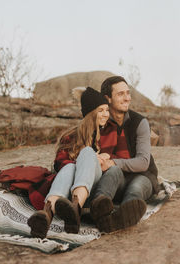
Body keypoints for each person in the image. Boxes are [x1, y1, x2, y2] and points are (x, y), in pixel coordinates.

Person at [27, 87, 110, 238]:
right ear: (91, 113)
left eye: (107, 110)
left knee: (87, 152)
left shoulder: (106, 134)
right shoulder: (72, 135)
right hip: (68, 189)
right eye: (101, 110)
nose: (106, 114)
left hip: (95, 187)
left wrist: (100, 159)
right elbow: (59, 163)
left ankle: (75, 207)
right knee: (71, 166)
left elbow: (117, 161)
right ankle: (47, 215)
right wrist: (80, 163)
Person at [90, 76, 159, 233]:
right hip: (115, 178)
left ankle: (124, 216)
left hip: (143, 175)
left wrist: (113, 162)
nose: (127, 98)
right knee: (113, 172)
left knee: (135, 188)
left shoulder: (140, 122)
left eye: (128, 93)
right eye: (120, 94)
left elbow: (143, 162)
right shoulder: (100, 122)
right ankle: (99, 210)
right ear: (107, 99)